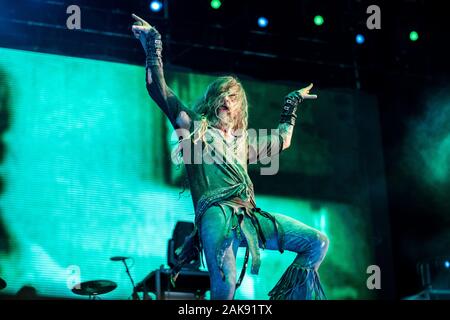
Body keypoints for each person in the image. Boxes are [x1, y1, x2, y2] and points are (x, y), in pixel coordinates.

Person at [131, 14, 329, 300]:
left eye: (233, 96)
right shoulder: (194, 127)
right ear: (212, 100)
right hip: (216, 212)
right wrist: (153, 45)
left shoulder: (245, 142)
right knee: (225, 286)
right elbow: (157, 88)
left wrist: (291, 103)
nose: (226, 99)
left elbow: (283, 141)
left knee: (317, 243)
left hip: (249, 216)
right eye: (222, 94)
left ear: (240, 108)